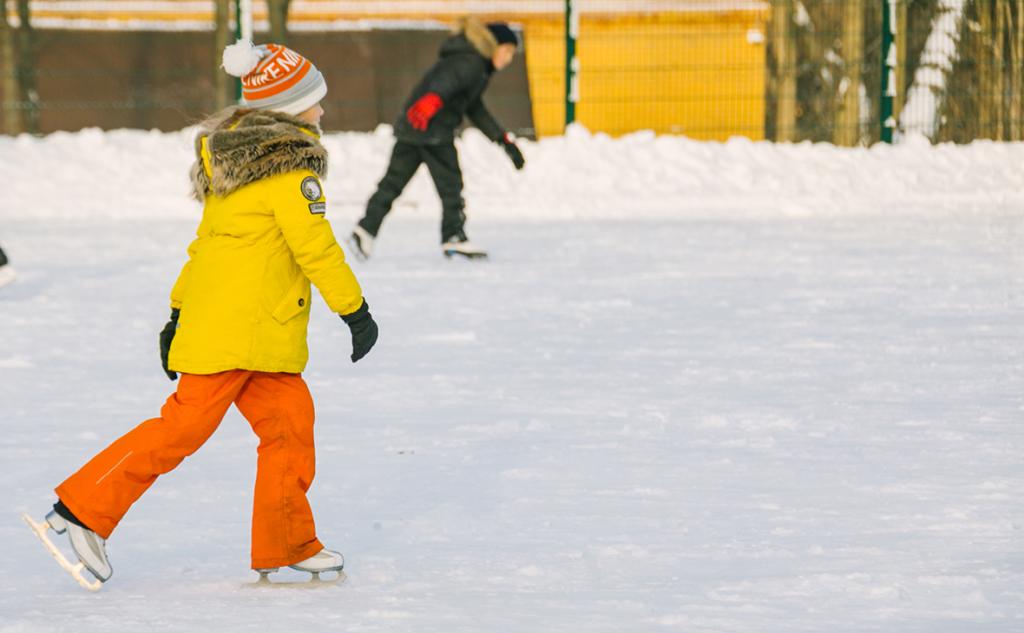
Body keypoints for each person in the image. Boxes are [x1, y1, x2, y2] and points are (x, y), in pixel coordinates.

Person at [22, 40, 378, 589]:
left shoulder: (241, 170)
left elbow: (206, 246)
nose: (323, 112)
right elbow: (317, 248)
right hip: (239, 331)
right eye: (314, 102)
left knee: (289, 426)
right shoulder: (290, 174)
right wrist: (354, 310)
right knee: (180, 430)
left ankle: (286, 542)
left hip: (258, 331)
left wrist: (177, 314)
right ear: (288, 112)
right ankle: (78, 512)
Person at [349, 17, 526, 260]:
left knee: (392, 184)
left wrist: (502, 140)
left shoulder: (470, 61)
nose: (508, 59)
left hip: (413, 128)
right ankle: (453, 236)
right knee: (451, 186)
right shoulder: (472, 62)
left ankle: (365, 230)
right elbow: (446, 81)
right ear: (494, 46)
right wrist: (433, 99)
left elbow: (475, 108)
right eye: (507, 51)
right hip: (433, 131)